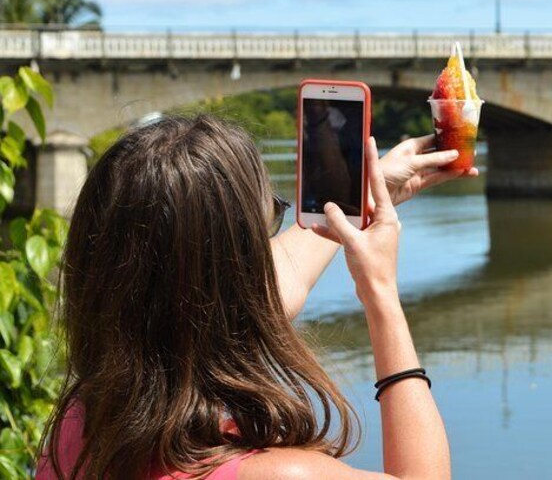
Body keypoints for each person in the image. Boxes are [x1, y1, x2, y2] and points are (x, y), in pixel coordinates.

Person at [36, 114, 474, 479]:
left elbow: (246, 293)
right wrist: (380, 291)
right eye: (270, 221)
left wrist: (360, 197)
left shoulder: (78, 426)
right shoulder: (277, 474)